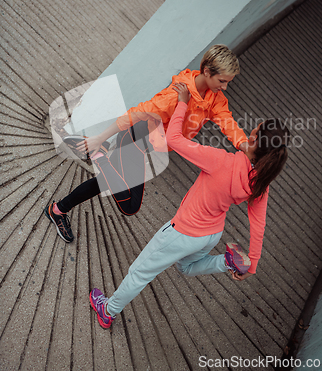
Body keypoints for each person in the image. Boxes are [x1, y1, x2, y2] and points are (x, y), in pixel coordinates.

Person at [89, 83, 290, 329]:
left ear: (254, 139)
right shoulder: (260, 182)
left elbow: (174, 139)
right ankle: (225, 262)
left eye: (254, 130)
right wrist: (253, 264)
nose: (250, 131)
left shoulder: (221, 161)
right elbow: (258, 223)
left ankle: (108, 310)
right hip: (210, 236)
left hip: (182, 232)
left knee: (140, 272)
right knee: (186, 268)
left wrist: (183, 102)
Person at [45, 45, 249, 243]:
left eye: (228, 82)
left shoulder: (214, 99)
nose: (225, 87)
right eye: (222, 81)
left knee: (108, 182)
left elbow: (227, 122)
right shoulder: (175, 97)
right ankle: (98, 155)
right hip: (133, 138)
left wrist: (246, 146)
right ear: (206, 71)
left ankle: (58, 209)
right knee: (130, 205)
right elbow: (138, 113)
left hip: (145, 144)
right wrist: (100, 138)